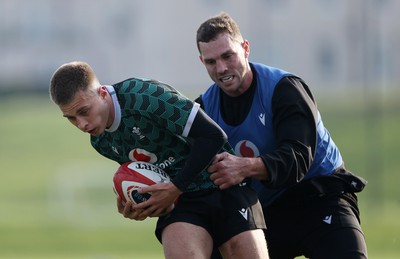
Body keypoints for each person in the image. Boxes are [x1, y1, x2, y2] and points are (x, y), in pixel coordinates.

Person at [49, 61, 269, 259]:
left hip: (222, 184)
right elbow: (147, 175)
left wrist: (176, 186)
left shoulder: (145, 96)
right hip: (181, 204)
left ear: (103, 93)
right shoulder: (100, 142)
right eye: (71, 118)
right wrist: (139, 203)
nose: (82, 125)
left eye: (84, 111)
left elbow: (213, 136)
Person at [195, 12, 368, 259]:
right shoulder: (204, 109)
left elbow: (298, 158)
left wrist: (243, 167)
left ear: (245, 49)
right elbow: (186, 166)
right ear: (202, 62)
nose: (221, 68)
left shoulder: (284, 88)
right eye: (211, 62)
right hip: (265, 210)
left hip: (319, 194)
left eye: (227, 56)